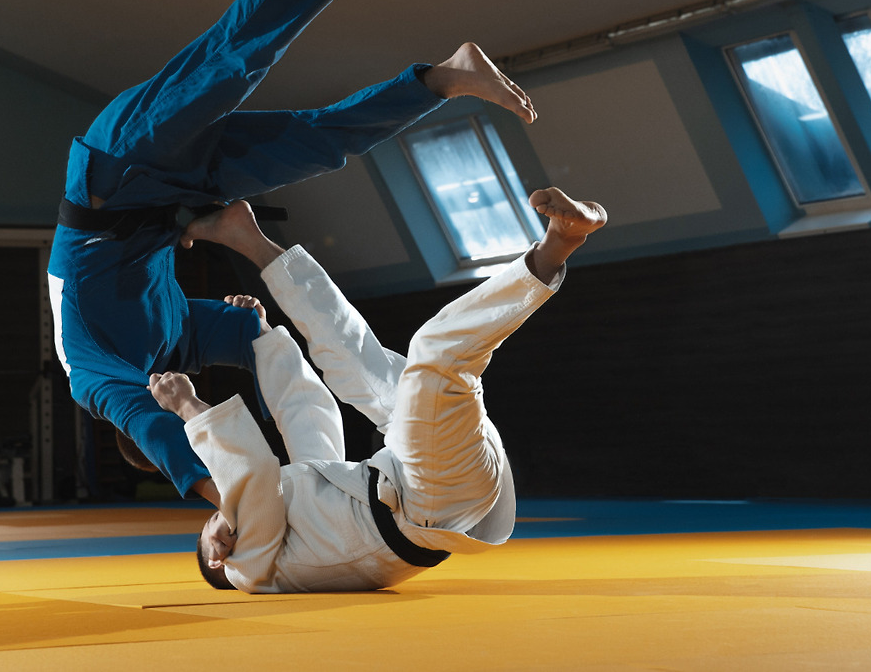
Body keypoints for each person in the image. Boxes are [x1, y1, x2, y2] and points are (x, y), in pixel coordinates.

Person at [47, 0, 536, 507]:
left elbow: (152, 427)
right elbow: (253, 343)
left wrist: (227, 501)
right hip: (179, 191)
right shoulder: (178, 346)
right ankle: (445, 77)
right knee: (318, 144)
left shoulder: (93, 378)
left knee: (231, 64)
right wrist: (296, 446)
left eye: (189, 436)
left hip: (116, 169)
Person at [148, 186, 607, 593]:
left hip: (421, 474)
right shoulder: (249, 571)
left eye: (214, 521)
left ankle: (249, 239)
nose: (223, 519)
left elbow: (307, 411)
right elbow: (250, 478)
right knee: (435, 353)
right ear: (217, 558)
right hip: (428, 502)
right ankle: (554, 250)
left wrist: (264, 336)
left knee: (349, 363)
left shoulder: (293, 517)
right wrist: (189, 407)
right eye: (214, 527)